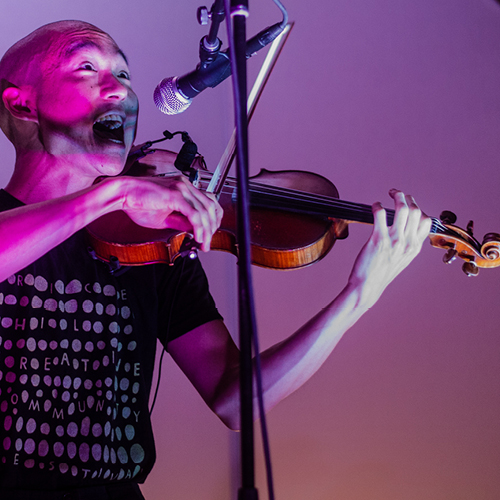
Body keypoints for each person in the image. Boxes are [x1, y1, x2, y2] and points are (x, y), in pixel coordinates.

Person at [0, 20, 431, 500]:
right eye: (86, 67)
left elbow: (235, 401)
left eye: (123, 74)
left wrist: (358, 298)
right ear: (22, 103)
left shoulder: (152, 244)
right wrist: (109, 196)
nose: (119, 90)